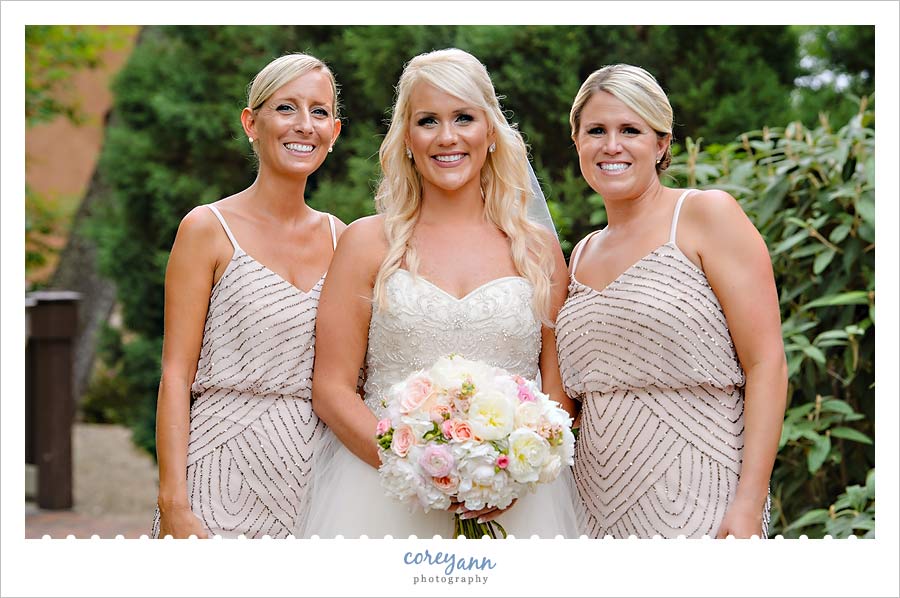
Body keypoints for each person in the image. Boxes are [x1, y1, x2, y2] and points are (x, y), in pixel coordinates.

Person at [298, 48, 581, 538]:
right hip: (380, 497)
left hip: (516, 503)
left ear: (490, 132)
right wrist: (419, 469)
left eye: (464, 118)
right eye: (428, 120)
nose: (447, 137)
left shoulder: (538, 250)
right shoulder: (366, 243)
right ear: (407, 137)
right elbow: (332, 389)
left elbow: (558, 390)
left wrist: (509, 473)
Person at [556, 64, 787, 539]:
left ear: (661, 144)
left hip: (703, 489)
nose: (611, 145)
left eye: (631, 130)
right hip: (597, 502)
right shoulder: (578, 254)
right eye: (596, 130)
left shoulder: (706, 216)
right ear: (577, 142)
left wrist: (748, 503)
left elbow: (767, 363)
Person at [151, 53, 343, 538]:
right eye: (286, 108)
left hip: (315, 478)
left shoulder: (343, 239)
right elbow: (175, 375)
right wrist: (174, 503)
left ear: (335, 131)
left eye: (319, 112)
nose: (304, 125)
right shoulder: (207, 229)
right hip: (217, 472)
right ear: (251, 123)